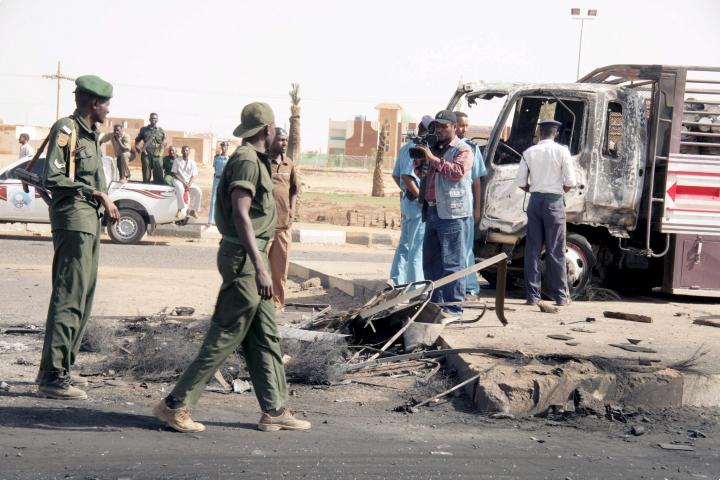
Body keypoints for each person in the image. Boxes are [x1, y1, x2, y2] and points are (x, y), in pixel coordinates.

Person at [153, 102, 311, 433]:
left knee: (265, 335)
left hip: (255, 257)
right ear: (267, 130)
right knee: (225, 334)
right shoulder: (247, 161)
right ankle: (175, 404)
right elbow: (241, 214)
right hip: (245, 260)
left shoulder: (255, 160)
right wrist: (260, 266)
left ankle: (275, 409)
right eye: (274, 128)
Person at [36, 75, 120, 400]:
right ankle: (53, 377)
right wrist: (97, 194)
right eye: (106, 103)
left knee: (83, 299)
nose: (109, 109)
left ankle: (61, 371)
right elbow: (53, 177)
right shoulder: (67, 130)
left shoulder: (91, 137)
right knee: (69, 296)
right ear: (93, 103)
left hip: (89, 222)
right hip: (74, 220)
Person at [414, 110, 474, 318]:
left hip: (452, 214)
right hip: (431, 209)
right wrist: (421, 159)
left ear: (454, 127)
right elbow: (421, 174)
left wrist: (432, 158)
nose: (439, 130)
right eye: (437, 126)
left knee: (452, 262)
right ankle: (435, 304)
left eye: (443, 126)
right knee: (431, 261)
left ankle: (453, 308)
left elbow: (457, 173)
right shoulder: (434, 149)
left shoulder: (463, 149)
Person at [514, 119, 577, 306]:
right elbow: (570, 182)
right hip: (554, 202)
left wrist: (535, 190)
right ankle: (561, 297)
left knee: (532, 249)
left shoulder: (529, 152)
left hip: (535, 201)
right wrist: (557, 192)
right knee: (555, 249)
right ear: (556, 133)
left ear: (539, 132)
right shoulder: (562, 151)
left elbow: (520, 182)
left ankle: (532, 296)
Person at [388, 115, 433, 286]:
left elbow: (396, 175)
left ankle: (397, 281)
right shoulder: (417, 148)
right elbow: (407, 176)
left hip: (409, 201)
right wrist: (420, 197)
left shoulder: (406, 147)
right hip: (416, 203)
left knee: (405, 244)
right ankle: (416, 286)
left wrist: (408, 193)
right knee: (416, 246)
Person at [454, 111, 487, 296]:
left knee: (466, 249)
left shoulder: (471, 149)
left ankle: (470, 286)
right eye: (460, 124)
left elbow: (476, 181)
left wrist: (477, 209)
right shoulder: (442, 148)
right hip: (447, 208)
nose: (463, 129)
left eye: (466, 125)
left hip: (465, 205)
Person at [267, 128, 301, 309]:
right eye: (280, 139)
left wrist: (292, 211)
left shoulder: (289, 164)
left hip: (283, 227)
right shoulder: (263, 162)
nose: (284, 143)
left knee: (280, 271)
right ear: (272, 140)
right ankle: (259, 306)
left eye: (286, 140)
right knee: (260, 270)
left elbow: (295, 189)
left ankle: (277, 306)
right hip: (264, 228)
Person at [171, 145, 202, 219]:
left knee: (199, 192)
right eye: (184, 150)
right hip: (178, 180)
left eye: (187, 150)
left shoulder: (193, 162)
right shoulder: (177, 160)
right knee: (180, 189)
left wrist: (189, 184)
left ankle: (194, 211)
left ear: (189, 152)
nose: (185, 152)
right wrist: (184, 183)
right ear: (181, 151)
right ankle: (180, 209)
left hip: (188, 182)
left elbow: (194, 175)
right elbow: (175, 173)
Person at [134, 112, 166, 184]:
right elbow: (137, 140)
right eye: (152, 118)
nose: (153, 119)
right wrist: (138, 148)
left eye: (155, 118)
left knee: (158, 176)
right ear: (149, 119)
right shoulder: (144, 129)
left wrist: (164, 143)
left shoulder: (160, 130)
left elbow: (165, 139)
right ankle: (146, 187)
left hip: (158, 154)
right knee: (146, 173)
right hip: (146, 154)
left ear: (157, 120)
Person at [208, 141, 230, 224]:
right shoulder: (217, 157)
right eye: (223, 146)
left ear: (227, 148)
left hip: (225, 180)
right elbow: (215, 167)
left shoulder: (229, 158)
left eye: (225, 146)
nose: (224, 148)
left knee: (224, 199)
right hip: (217, 179)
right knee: (214, 199)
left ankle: (223, 220)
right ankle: (211, 220)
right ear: (221, 147)